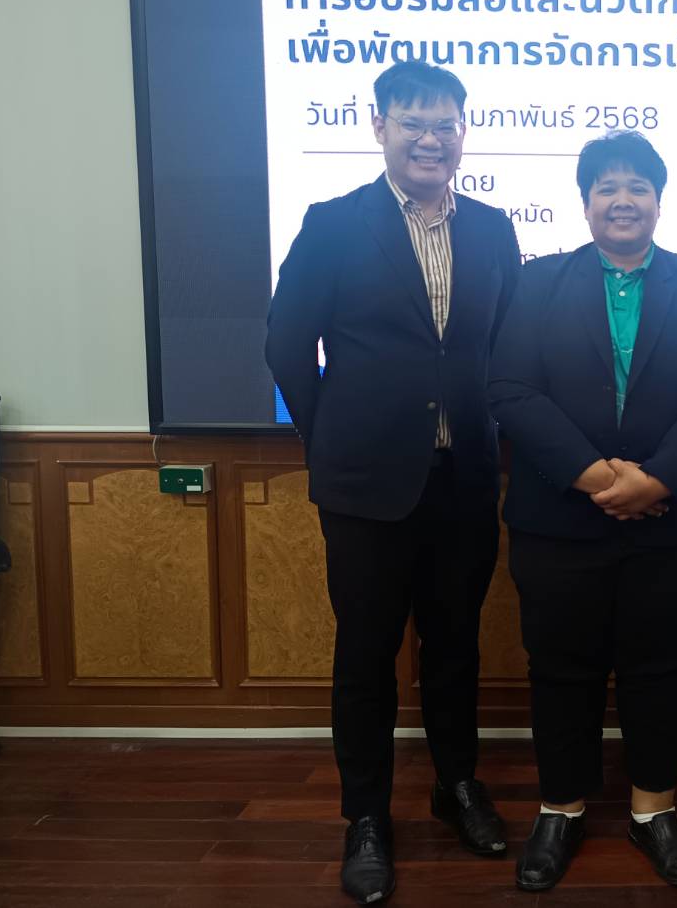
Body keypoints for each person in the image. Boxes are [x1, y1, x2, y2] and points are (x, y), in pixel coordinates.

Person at [265, 60, 521, 905]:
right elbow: (286, 344)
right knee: (366, 655)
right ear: (378, 126)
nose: (430, 139)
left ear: (462, 133)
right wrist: (331, 437)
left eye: (445, 124)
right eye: (413, 122)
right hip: (364, 486)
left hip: (464, 478)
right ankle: (367, 817)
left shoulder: (492, 230)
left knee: (454, 646)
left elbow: (507, 350)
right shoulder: (334, 224)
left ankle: (456, 787)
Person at [487, 131, 677, 893]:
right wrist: (596, 476)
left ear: (658, 201)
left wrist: (657, 480)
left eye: (637, 186)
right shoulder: (538, 282)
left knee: (659, 667)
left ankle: (652, 809)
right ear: (585, 202)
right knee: (559, 668)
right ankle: (560, 809)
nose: (622, 200)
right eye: (606, 186)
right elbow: (510, 390)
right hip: (558, 517)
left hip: (673, 519)